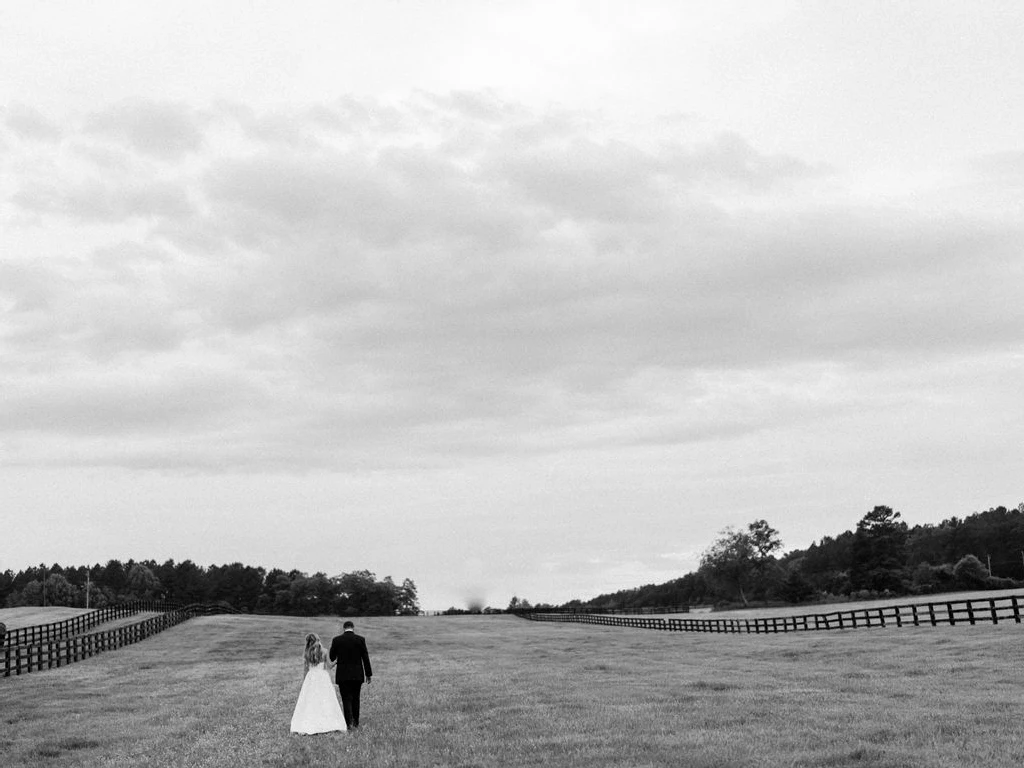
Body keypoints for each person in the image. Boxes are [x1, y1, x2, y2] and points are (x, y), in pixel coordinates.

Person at [289, 633, 347, 735]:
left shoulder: (307, 653)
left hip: (311, 678)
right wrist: (336, 660)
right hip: (322, 677)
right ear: (318, 640)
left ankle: (309, 722)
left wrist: (304, 683)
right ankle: (328, 721)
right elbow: (329, 666)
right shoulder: (324, 651)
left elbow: (305, 670)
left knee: (310, 700)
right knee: (325, 699)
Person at [329, 620, 373, 729]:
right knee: (356, 698)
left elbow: (332, 657)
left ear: (344, 628)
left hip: (343, 675)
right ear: (353, 628)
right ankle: (356, 722)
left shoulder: (337, 640)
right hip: (357, 674)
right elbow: (365, 658)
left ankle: (348, 723)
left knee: (346, 699)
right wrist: (368, 674)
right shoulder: (360, 639)